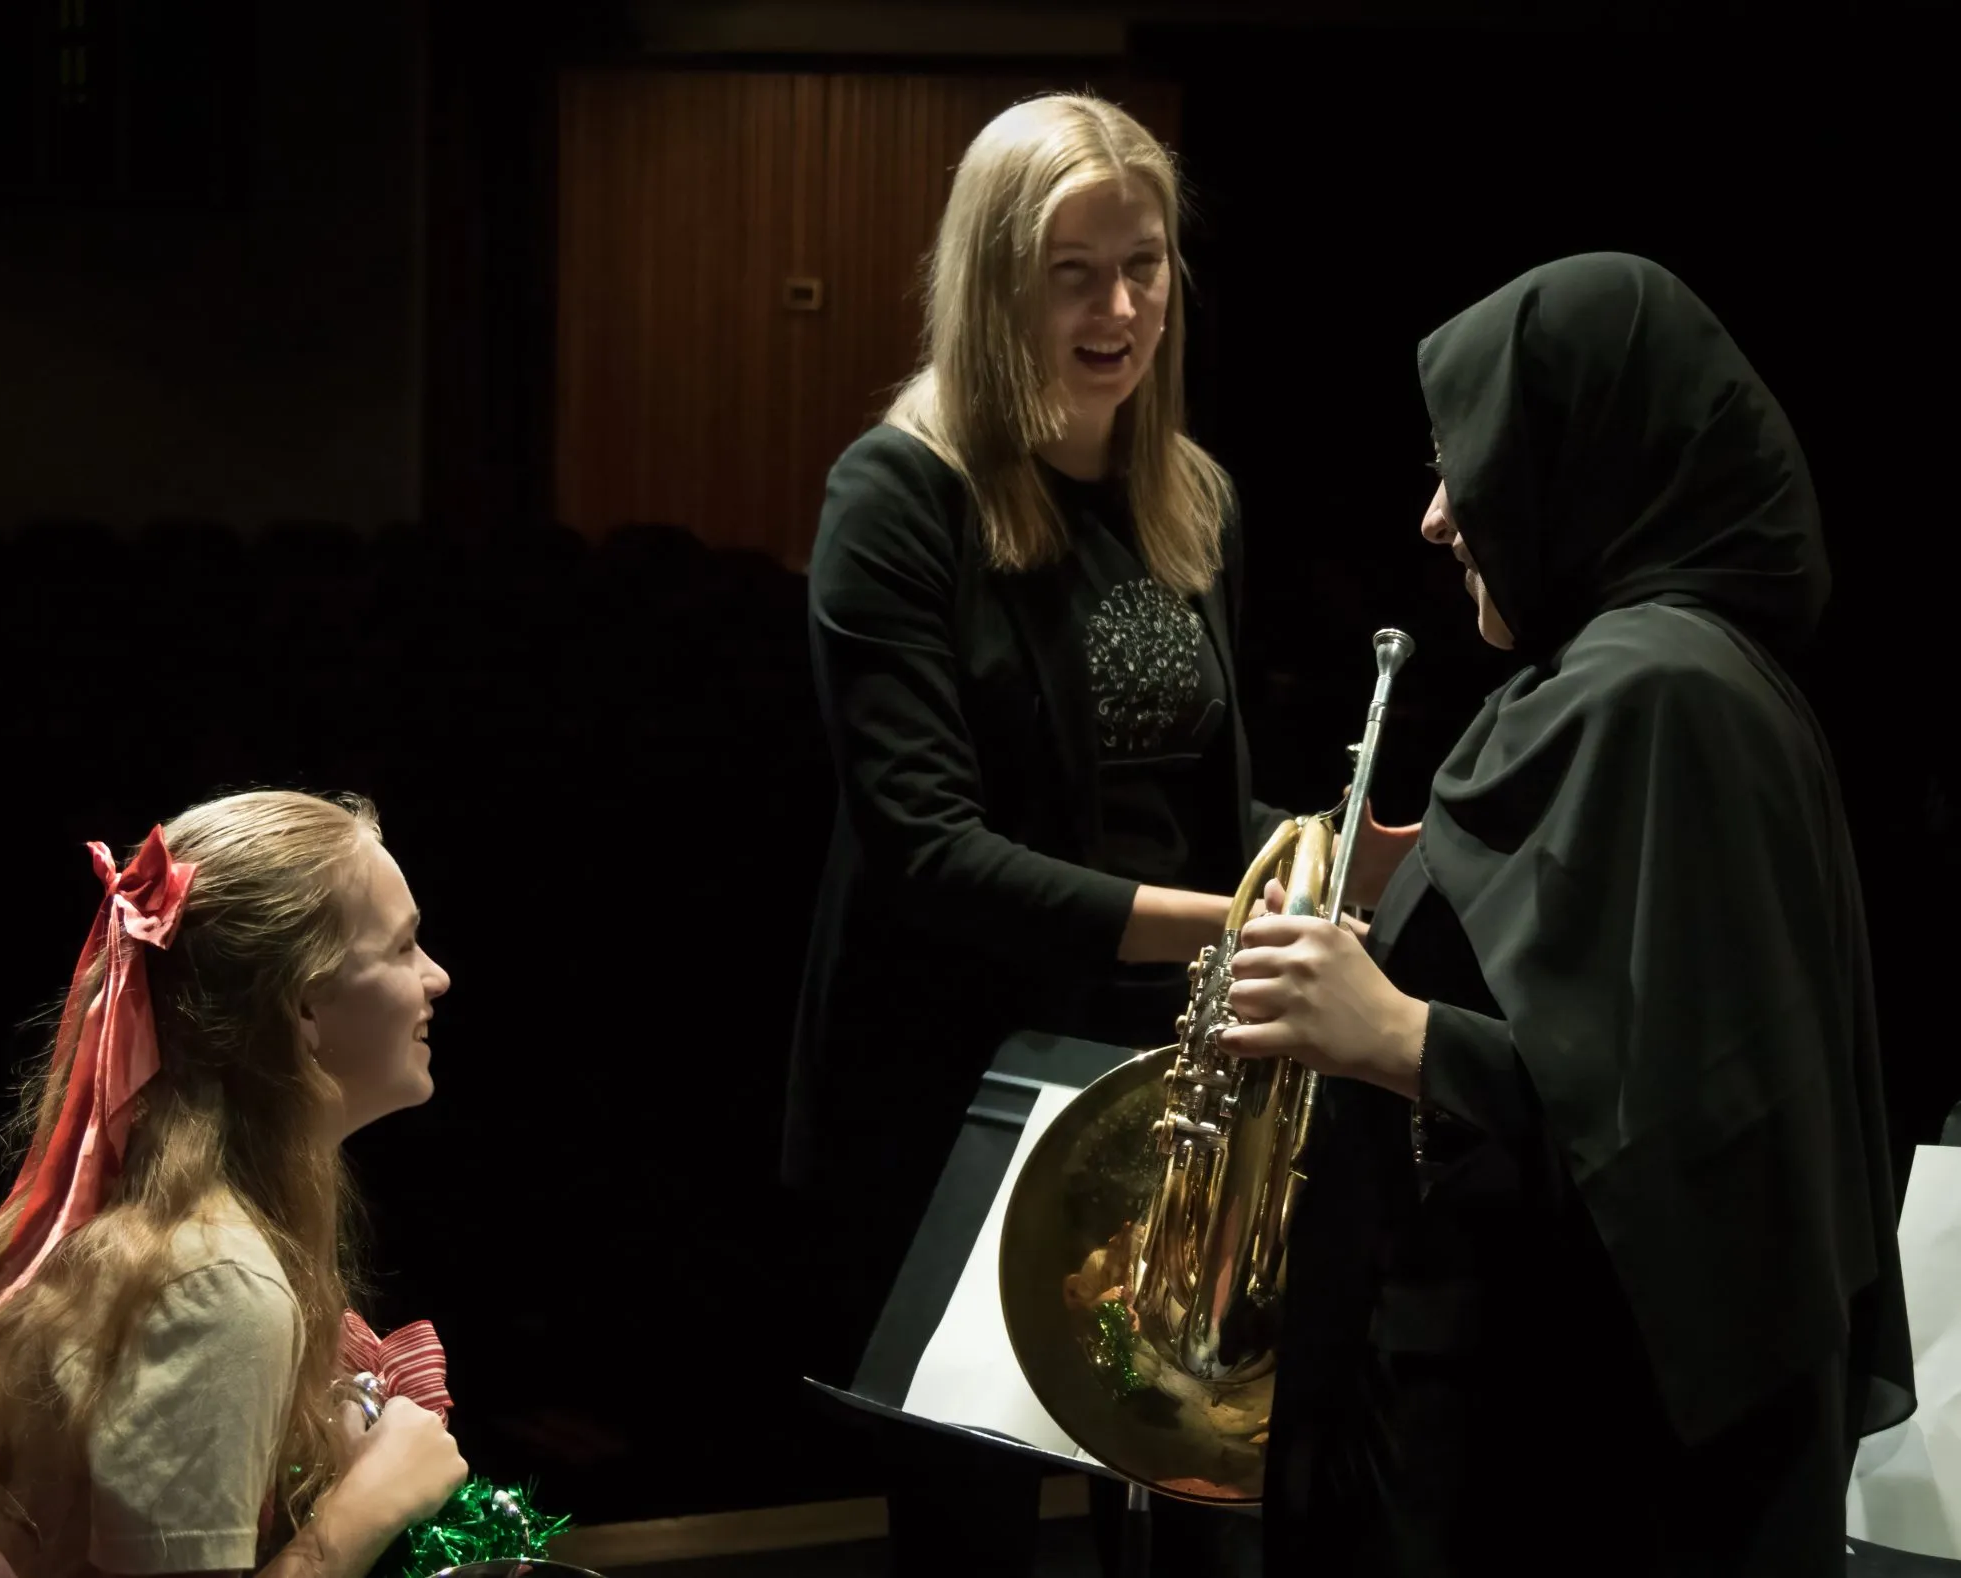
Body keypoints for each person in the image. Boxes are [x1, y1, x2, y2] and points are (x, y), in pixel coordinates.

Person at [782, 91, 1416, 1576]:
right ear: (995, 283)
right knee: (975, 1537)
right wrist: (1241, 926)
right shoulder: (897, 497)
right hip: (959, 1079)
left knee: (1195, 1507)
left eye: (1144, 266)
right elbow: (927, 847)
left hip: (1162, 1084)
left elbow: (1185, 811)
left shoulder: (1191, 498)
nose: (1120, 309)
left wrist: (1331, 852)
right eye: (1075, 273)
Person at [1217, 252, 1916, 1575]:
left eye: (1467, 461)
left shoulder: (1660, 694)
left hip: (1569, 1467)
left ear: (1584, 453)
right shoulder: (1643, 677)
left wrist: (1401, 1036)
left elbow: (1697, 1140)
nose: (1436, 516)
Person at [0, 789, 470, 1578]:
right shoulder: (219, 1281)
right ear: (302, 1003)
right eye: (403, 947)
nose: (437, 976)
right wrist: (368, 1508)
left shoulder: (162, 1227)